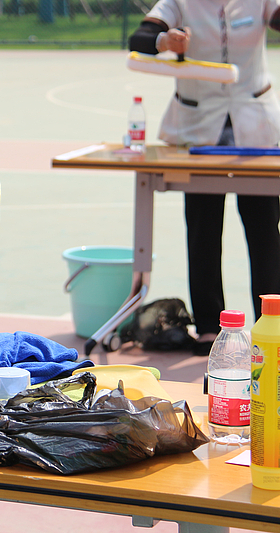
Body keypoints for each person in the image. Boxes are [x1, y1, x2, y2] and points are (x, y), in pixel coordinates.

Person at [129, 0, 280, 355]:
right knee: (203, 229)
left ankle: (270, 323)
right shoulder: (180, 1)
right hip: (199, 128)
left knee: (264, 231)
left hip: (254, 125)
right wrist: (165, 41)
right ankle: (210, 326)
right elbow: (141, 37)